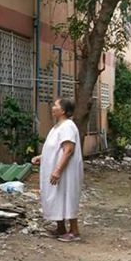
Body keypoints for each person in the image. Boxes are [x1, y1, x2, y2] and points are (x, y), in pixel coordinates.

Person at [31, 98, 84, 242]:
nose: (52, 107)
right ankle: (60, 228)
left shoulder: (67, 126)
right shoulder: (57, 127)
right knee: (57, 197)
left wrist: (58, 170)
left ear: (63, 111)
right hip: (58, 169)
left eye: (56, 105)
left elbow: (68, 150)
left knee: (67, 197)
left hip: (66, 172)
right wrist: (41, 157)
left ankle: (74, 231)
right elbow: (56, 149)